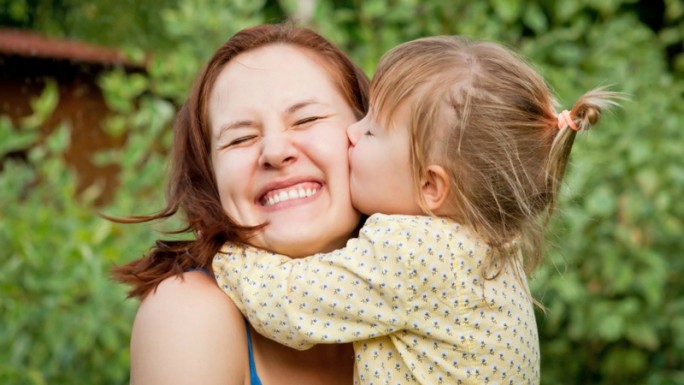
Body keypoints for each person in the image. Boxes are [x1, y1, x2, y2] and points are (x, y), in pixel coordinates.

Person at [214, 35, 621, 384]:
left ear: (430, 186)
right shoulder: (492, 246)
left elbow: (287, 305)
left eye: (371, 130)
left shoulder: (413, 251)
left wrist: (225, 251)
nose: (351, 133)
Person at [111, 23, 370, 384]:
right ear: (210, 181)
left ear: (370, 135)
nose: (276, 152)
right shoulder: (188, 313)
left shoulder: (446, 279)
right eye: (240, 138)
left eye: (307, 119)